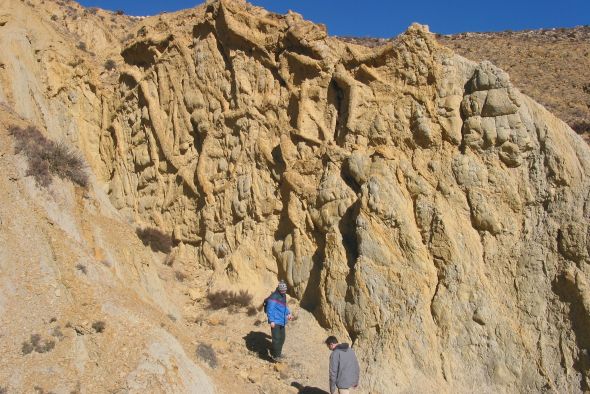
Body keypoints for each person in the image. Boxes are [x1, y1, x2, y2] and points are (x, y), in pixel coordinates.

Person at [264, 280, 293, 360]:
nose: (284, 292)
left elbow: (283, 307)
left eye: (285, 290)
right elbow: (270, 310)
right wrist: (271, 321)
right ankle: (275, 356)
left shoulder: (283, 295)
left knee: (282, 337)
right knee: (276, 338)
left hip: (282, 320)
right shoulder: (274, 297)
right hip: (275, 321)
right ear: (279, 289)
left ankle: (278, 353)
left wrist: (288, 313)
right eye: (283, 290)